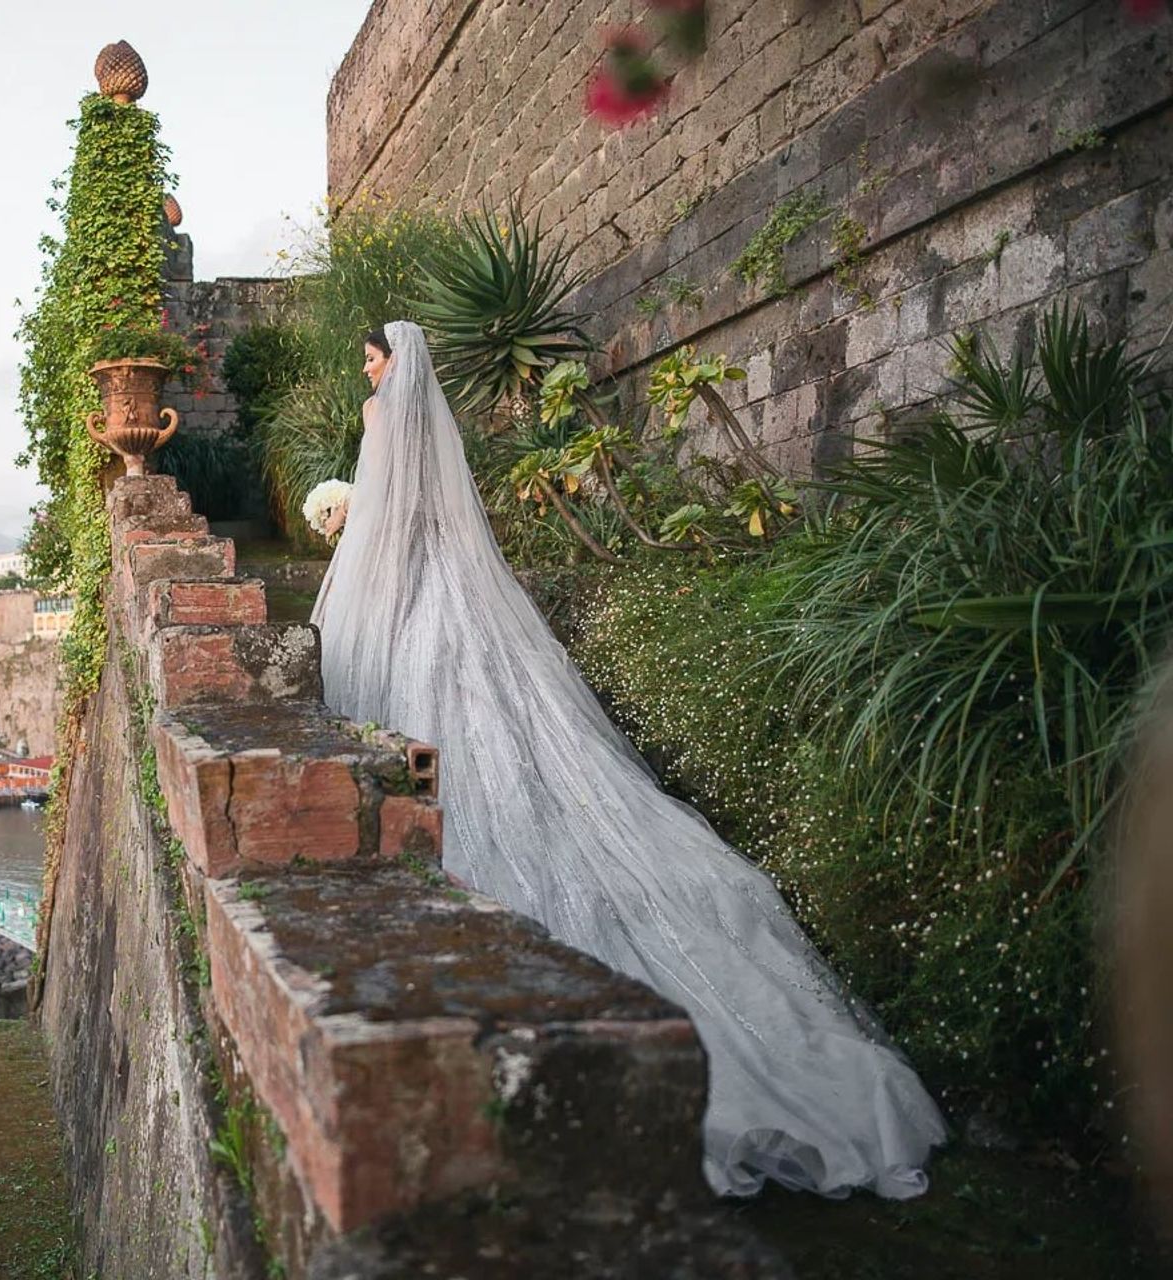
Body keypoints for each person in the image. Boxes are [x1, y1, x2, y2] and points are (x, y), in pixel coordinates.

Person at [311, 320, 947, 1200]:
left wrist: (343, 567)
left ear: (392, 365)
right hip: (455, 586)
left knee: (429, 742)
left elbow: (380, 523)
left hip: (407, 593)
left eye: (370, 355)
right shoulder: (431, 418)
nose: (365, 366)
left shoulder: (385, 416)